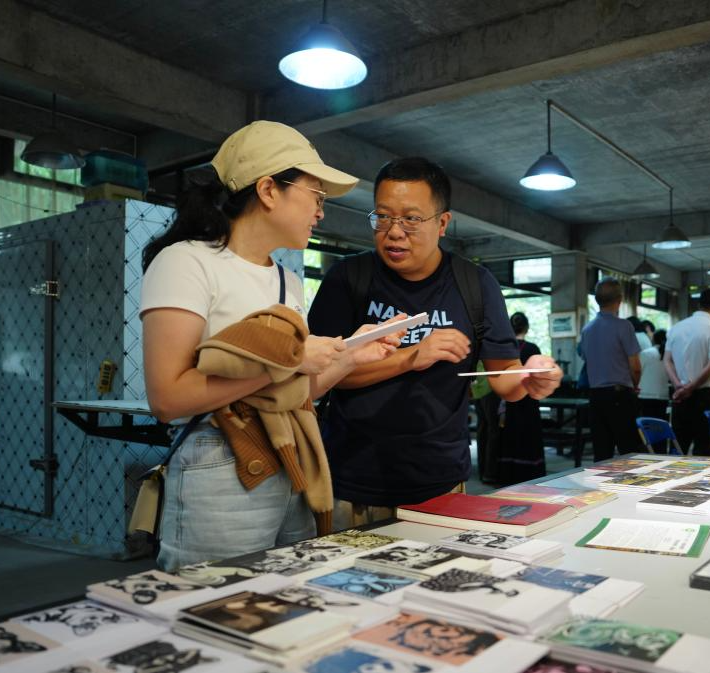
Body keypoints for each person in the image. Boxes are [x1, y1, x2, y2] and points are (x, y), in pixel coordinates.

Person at [140, 121, 402, 571]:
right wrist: (291, 359)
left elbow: (291, 393)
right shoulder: (186, 262)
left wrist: (351, 356)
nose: (320, 212)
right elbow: (167, 398)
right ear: (267, 190)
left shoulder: (287, 280)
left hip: (289, 461)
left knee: (282, 595)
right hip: (219, 462)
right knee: (216, 599)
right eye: (316, 196)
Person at [307, 157, 562, 527]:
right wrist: (411, 356)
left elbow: (504, 378)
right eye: (383, 217)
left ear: (442, 223)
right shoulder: (348, 279)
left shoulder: (475, 284)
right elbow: (322, 377)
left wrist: (531, 376)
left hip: (442, 480)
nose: (394, 232)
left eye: (411, 219)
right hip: (353, 480)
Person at [578, 278, 642, 461]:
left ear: (597, 299)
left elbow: (585, 358)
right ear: (620, 299)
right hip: (619, 395)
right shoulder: (624, 326)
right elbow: (635, 367)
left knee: (602, 452)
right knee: (628, 450)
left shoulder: (587, 330)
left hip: (596, 396)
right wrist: (634, 385)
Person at [664, 289, 710, 455]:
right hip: (704, 398)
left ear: (699, 305)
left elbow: (667, 360)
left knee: (679, 449)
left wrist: (679, 385)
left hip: (680, 397)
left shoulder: (676, 328)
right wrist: (690, 388)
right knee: (704, 451)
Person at [497, 312, 546, 484]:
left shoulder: (505, 349)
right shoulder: (532, 349)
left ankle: (508, 474)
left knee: (510, 436)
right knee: (529, 436)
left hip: (509, 399)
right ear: (527, 328)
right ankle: (530, 474)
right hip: (529, 400)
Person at [638, 329, 670, 452]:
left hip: (645, 395)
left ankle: (646, 454)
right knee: (660, 430)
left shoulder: (646, 353)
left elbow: (637, 371)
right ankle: (660, 454)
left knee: (645, 430)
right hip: (663, 396)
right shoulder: (669, 354)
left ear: (653, 339)